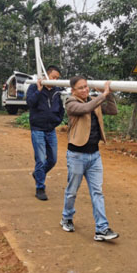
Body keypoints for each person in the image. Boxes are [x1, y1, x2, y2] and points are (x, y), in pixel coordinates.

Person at [59, 76, 119, 241]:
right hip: (77, 155)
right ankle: (67, 217)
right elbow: (85, 108)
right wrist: (103, 95)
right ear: (73, 90)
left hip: (94, 155)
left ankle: (102, 229)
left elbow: (113, 111)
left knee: (97, 192)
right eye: (81, 88)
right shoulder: (71, 103)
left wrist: (109, 95)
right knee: (72, 191)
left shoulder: (94, 101)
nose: (85, 90)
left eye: (86, 87)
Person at [26, 65, 64, 201]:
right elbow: (30, 103)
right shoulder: (34, 87)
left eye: (57, 78)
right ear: (47, 76)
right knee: (41, 159)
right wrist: (38, 90)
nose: (55, 80)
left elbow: (60, 108)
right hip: (38, 129)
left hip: (50, 129)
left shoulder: (57, 91)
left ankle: (38, 174)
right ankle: (40, 188)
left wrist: (57, 120)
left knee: (52, 160)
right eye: (54, 77)